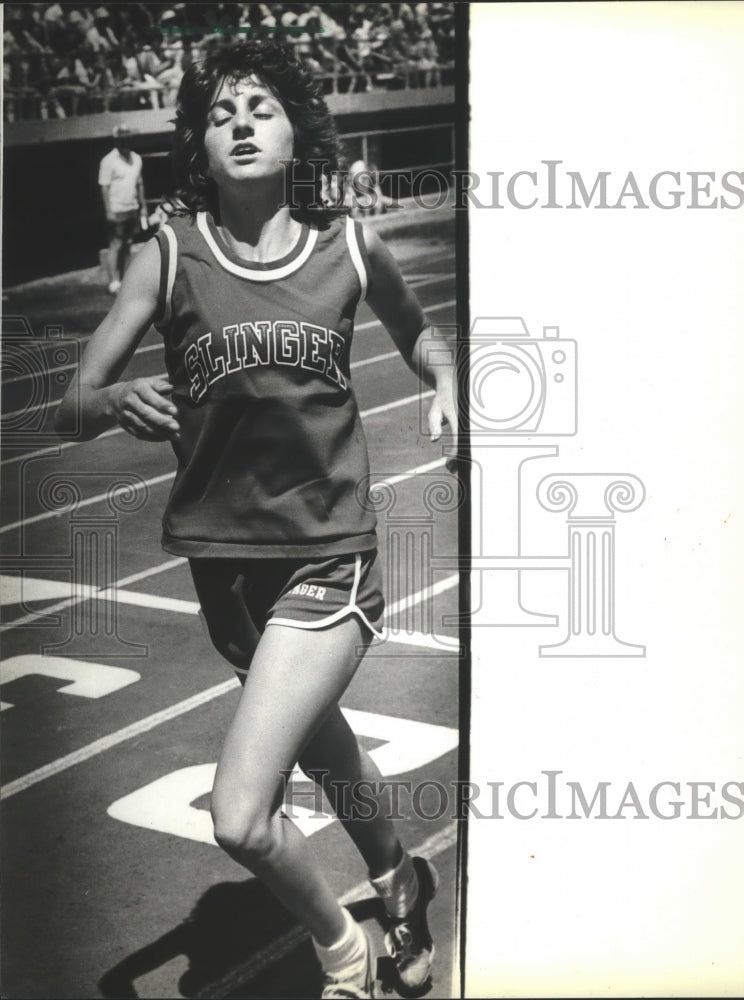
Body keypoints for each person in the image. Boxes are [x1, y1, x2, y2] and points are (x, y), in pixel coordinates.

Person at [56, 39, 456, 1000]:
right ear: (198, 142)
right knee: (324, 745)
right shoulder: (166, 254)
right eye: (221, 113)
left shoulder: (348, 247)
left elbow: (418, 332)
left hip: (327, 554)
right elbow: (69, 405)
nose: (240, 124)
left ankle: (345, 957)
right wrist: (110, 400)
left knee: (240, 816)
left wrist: (444, 381)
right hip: (222, 568)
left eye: (261, 108)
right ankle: (398, 879)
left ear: (295, 134)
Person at [98, 123, 148, 294]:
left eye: (128, 139)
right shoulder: (108, 161)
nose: (125, 142)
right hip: (116, 209)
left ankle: (125, 279)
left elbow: (140, 184)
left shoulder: (137, 159)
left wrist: (143, 207)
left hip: (132, 208)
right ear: (116, 141)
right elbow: (104, 187)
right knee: (116, 244)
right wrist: (109, 211)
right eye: (122, 139)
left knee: (128, 243)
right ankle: (113, 281)